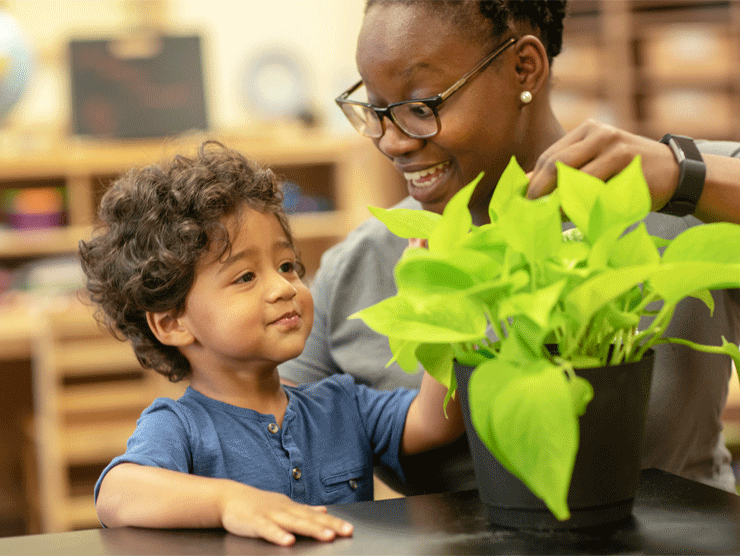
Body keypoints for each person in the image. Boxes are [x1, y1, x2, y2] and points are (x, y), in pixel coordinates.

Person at [279, 0, 740, 494]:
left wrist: (685, 176)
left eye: (421, 106)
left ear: (525, 67)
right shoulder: (361, 266)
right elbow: (265, 443)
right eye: (375, 110)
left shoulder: (676, 193)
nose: (392, 142)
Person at [78, 141, 464, 547]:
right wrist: (229, 502)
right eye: (245, 277)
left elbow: (435, 422)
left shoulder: (342, 404)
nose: (284, 287)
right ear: (173, 323)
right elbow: (116, 495)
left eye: (287, 266)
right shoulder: (181, 427)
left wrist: (441, 306)